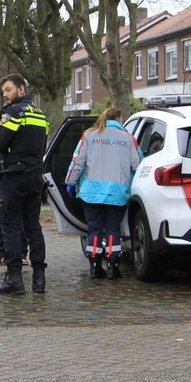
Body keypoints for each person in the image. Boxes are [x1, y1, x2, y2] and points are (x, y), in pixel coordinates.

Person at [65, 107, 141, 279]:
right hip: (117, 192)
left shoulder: (89, 135)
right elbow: (137, 164)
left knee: (94, 228)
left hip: (91, 193)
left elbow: (77, 162)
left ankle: (95, 267)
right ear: (119, 119)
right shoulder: (128, 138)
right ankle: (113, 267)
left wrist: (70, 182)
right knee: (113, 228)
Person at [0, 74, 49, 295]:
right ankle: (39, 279)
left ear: (21, 89)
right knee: (33, 227)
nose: (5, 94)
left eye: (8, 89)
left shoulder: (13, 113)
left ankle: (15, 279)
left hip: (13, 177)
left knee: (11, 228)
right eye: (3, 91)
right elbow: (42, 146)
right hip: (35, 176)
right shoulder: (40, 115)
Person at [0, 125, 27, 267]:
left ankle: (21, 254)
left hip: (19, 178)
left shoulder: (23, 130)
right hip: (2, 179)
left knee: (21, 219)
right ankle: (2, 253)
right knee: (3, 219)